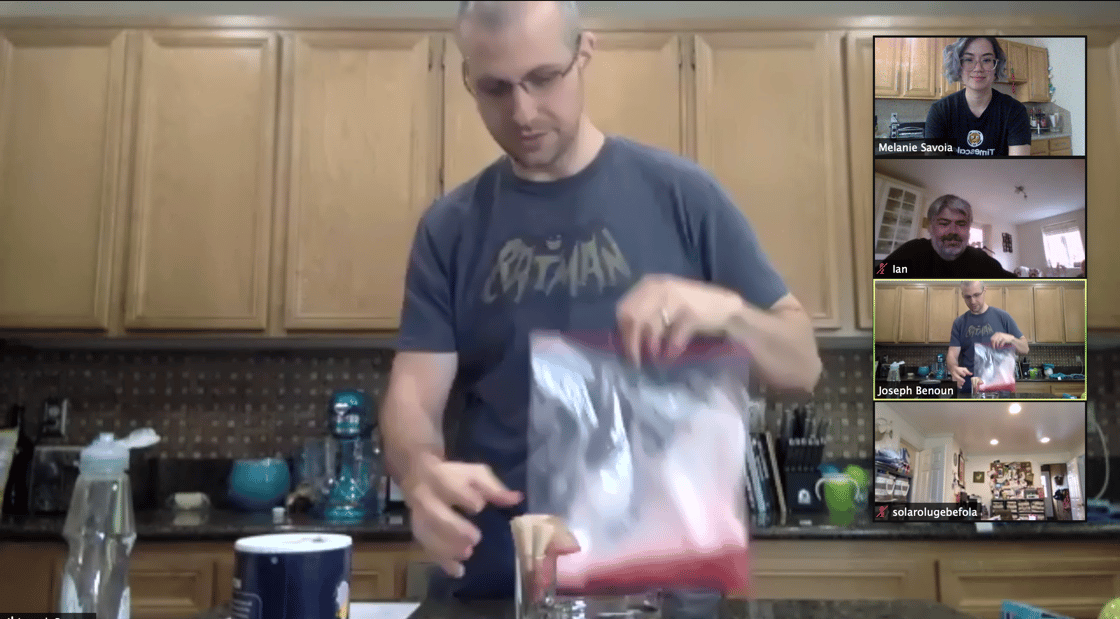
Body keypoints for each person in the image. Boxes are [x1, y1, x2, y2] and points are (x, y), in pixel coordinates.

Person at [379, 0, 822, 601]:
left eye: (542, 79)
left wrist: (729, 311)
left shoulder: (684, 196)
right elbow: (413, 397)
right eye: (495, 89)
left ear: (584, 52)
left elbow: (802, 363)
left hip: (668, 593)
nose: (523, 112)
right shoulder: (450, 228)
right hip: (499, 587)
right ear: (467, 81)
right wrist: (420, 473)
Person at [924, 37, 1032, 157]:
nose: (978, 68)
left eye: (986, 60)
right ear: (958, 66)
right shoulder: (940, 111)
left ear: (996, 65)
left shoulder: (1015, 111)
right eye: (969, 59)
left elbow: (1017, 169)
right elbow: (936, 167)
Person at [883, 195, 1017, 277]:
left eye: (961, 223)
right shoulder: (913, 253)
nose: (953, 231)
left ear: (968, 229)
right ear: (931, 227)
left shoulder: (980, 260)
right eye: (944, 223)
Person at [947, 281, 1029, 395]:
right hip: (969, 391)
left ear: (985, 290)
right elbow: (952, 355)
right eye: (968, 297)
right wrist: (953, 368)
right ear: (962, 296)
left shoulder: (1003, 317)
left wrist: (1010, 338)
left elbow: (1025, 348)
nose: (973, 301)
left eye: (976, 295)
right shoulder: (959, 323)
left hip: (1000, 393)